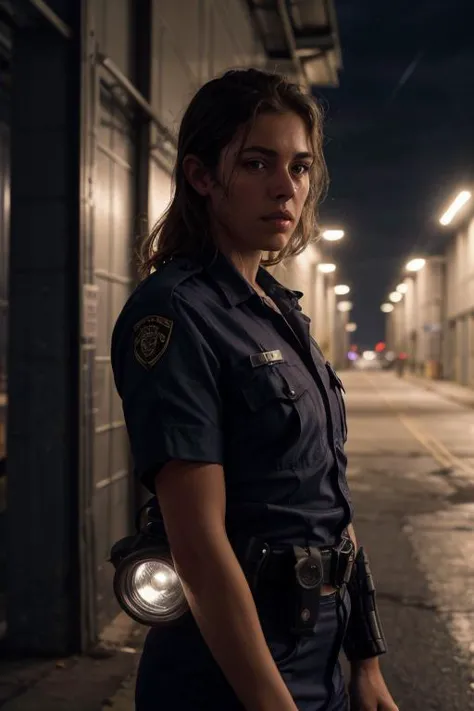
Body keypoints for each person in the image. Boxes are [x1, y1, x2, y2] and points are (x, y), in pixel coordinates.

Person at [111, 68, 398, 711]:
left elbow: (330, 503)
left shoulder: (279, 312)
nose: (285, 188)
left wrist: (366, 660)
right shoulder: (175, 315)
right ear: (203, 177)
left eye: (299, 168)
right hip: (230, 677)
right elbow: (199, 548)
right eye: (258, 164)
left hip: (319, 661)